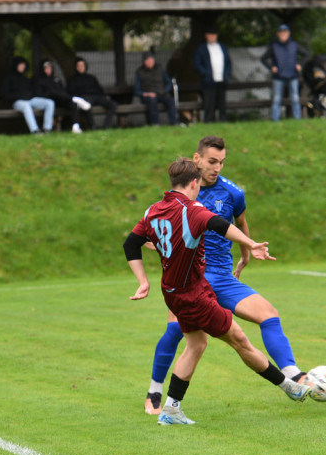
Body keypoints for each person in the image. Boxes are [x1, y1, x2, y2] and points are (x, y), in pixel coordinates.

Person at [124, 157, 313, 425]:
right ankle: (288, 386)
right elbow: (222, 227)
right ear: (194, 182)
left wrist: (143, 281)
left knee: (196, 344)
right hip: (194, 295)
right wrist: (251, 244)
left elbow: (131, 245)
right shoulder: (192, 209)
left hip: (173, 292)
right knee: (240, 341)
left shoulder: (152, 211)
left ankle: (171, 409)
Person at [260, 24, 307, 121]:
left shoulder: (294, 45)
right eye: (281, 33)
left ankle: (297, 119)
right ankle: (275, 119)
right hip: (278, 76)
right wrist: (271, 67)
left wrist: (300, 65)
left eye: (285, 32)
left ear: (289, 33)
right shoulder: (274, 46)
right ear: (278, 34)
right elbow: (263, 58)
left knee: (295, 98)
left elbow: (306, 54)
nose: (283, 34)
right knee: (277, 99)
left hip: (292, 75)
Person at [1, 56, 55, 134]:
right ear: (16, 65)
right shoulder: (8, 78)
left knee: (49, 103)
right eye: (21, 65)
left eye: (24, 65)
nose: (23, 67)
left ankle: (47, 129)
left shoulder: (25, 78)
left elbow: (32, 91)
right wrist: (20, 96)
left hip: (29, 100)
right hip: (17, 102)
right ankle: (35, 130)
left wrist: (29, 96)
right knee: (26, 105)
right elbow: (5, 94)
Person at [35, 59, 84, 134]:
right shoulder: (39, 80)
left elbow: (62, 92)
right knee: (51, 102)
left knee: (72, 104)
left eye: (50, 68)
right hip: (49, 102)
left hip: (61, 100)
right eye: (46, 68)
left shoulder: (56, 80)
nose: (49, 70)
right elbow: (40, 94)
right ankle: (47, 129)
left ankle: (76, 127)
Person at [193, 28, 231, 123]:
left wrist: (227, 75)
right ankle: (209, 120)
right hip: (208, 80)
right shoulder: (201, 49)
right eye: (210, 35)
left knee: (222, 102)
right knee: (209, 102)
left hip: (221, 79)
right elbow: (197, 64)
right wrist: (205, 73)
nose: (213, 37)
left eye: (214, 35)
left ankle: (223, 119)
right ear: (206, 36)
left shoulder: (222, 47)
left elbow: (228, 62)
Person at [67, 57, 117, 130]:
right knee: (87, 105)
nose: (81, 67)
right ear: (76, 67)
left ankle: (105, 126)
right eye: (79, 66)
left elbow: (99, 90)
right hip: (84, 98)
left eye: (82, 65)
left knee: (113, 105)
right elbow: (71, 93)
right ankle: (93, 127)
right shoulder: (73, 79)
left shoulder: (91, 78)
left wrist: (103, 97)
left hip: (96, 97)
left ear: (85, 66)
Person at [134, 52, 179, 126]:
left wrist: (165, 91)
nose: (151, 62)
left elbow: (168, 82)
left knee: (170, 100)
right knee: (152, 101)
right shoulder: (139, 72)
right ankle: (155, 124)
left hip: (161, 93)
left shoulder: (160, 68)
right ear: (144, 61)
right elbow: (136, 90)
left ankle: (174, 122)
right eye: (148, 60)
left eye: (152, 60)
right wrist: (146, 94)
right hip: (148, 96)